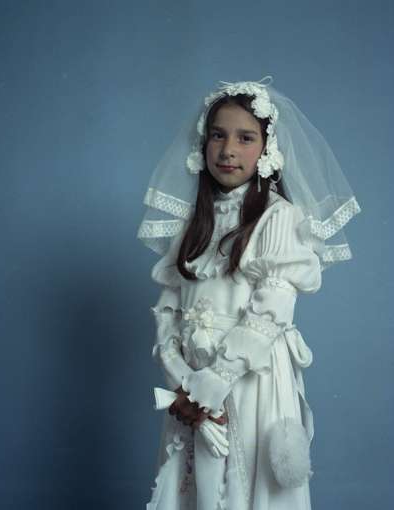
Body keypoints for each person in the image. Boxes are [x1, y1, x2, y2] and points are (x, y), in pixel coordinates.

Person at [137, 77, 361, 510]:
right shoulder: (193, 223)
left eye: (245, 138)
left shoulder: (278, 219)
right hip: (194, 383)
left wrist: (210, 386)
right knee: (193, 487)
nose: (228, 150)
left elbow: (269, 313)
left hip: (246, 378)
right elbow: (168, 308)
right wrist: (182, 381)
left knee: (243, 483)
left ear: (267, 148)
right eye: (218, 135)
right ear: (203, 144)